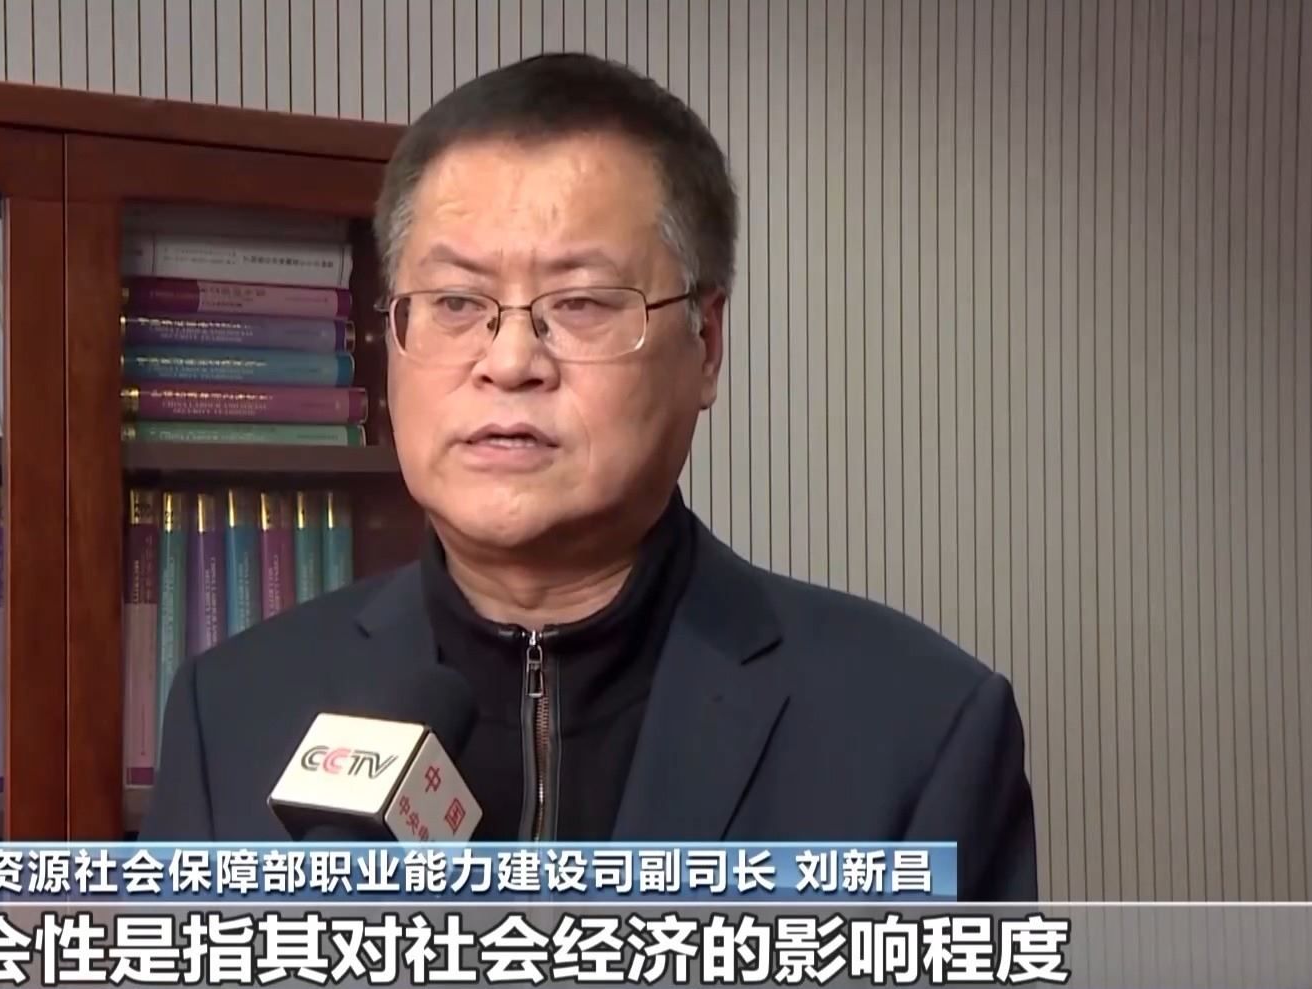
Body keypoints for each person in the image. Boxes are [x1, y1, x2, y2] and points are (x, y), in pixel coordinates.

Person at [142, 51, 1038, 901]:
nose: (509, 361)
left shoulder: (919, 727)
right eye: (455, 302)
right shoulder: (232, 712)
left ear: (706, 344)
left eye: (579, 303)